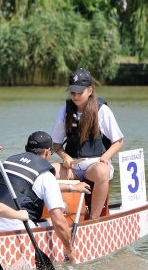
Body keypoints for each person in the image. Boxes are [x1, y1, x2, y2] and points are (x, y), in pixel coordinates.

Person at [0, 131, 84, 262]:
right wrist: (69, 248)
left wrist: (72, 188)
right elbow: (59, 221)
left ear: (26, 148)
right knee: (54, 221)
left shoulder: (7, 164)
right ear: (48, 152)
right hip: (20, 232)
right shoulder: (46, 176)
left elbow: (27, 186)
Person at [51, 68, 124, 218]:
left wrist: (105, 157)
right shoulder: (65, 110)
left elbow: (118, 141)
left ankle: (94, 220)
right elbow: (56, 143)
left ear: (90, 90)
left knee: (102, 172)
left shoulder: (102, 110)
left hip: (94, 166)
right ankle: (50, 216)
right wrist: (65, 156)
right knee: (45, 171)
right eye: (72, 92)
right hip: (73, 167)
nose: (75, 96)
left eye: (79, 92)